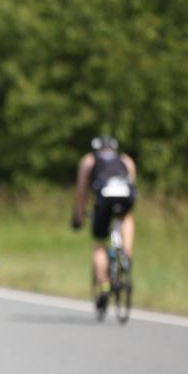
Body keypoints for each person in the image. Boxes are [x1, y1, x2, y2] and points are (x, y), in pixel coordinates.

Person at [72, 135, 137, 315]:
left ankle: (105, 285)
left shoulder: (89, 160)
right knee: (127, 218)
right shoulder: (126, 159)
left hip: (104, 198)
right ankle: (126, 254)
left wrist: (79, 215)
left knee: (99, 244)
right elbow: (133, 186)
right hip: (126, 196)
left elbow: (82, 192)